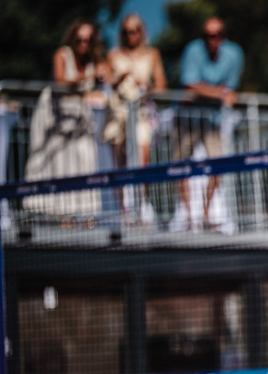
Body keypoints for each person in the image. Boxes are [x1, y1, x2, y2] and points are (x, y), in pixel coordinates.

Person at [24, 20, 110, 221]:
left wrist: (104, 72)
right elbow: (61, 81)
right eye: (79, 39)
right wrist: (87, 79)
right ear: (73, 39)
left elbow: (107, 76)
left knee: (85, 162)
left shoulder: (93, 60)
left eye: (88, 40)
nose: (83, 44)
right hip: (56, 115)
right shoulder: (62, 54)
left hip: (79, 117)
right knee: (61, 164)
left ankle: (88, 214)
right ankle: (64, 216)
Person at [175, 16, 244, 231]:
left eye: (215, 36)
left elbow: (229, 90)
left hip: (212, 119)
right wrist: (217, 92)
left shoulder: (234, 54)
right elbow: (190, 85)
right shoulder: (193, 50)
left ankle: (205, 214)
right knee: (180, 167)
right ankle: (188, 218)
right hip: (186, 117)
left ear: (223, 36)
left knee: (218, 164)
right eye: (207, 36)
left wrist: (206, 90)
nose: (211, 40)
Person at [103, 13, 167, 170]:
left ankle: (141, 195)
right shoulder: (113, 55)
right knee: (119, 166)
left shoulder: (152, 54)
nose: (130, 35)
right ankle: (121, 195)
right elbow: (105, 85)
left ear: (141, 31)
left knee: (142, 163)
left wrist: (145, 86)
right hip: (118, 113)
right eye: (126, 31)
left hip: (141, 113)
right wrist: (119, 80)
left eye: (134, 31)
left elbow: (161, 86)